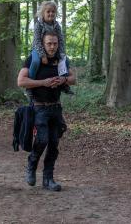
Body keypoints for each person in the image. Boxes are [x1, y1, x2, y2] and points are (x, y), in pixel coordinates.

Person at [17, 31, 76, 191]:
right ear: (43, 44)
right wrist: (43, 82)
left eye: (55, 43)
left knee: (54, 144)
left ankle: (48, 179)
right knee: (42, 140)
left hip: (56, 107)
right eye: (49, 43)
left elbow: (73, 79)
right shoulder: (34, 59)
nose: (52, 46)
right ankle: (31, 165)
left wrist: (63, 79)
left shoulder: (61, 60)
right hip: (39, 107)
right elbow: (21, 81)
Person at [29, 1, 73, 95]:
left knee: (64, 60)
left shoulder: (56, 25)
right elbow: (36, 41)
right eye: (48, 11)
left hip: (53, 48)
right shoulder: (39, 25)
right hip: (38, 48)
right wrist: (42, 55)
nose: (51, 13)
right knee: (36, 61)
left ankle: (64, 84)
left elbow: (60, 40)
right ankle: (30, 85)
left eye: (53, 11)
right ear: (43, 13)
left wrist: (61, 53)